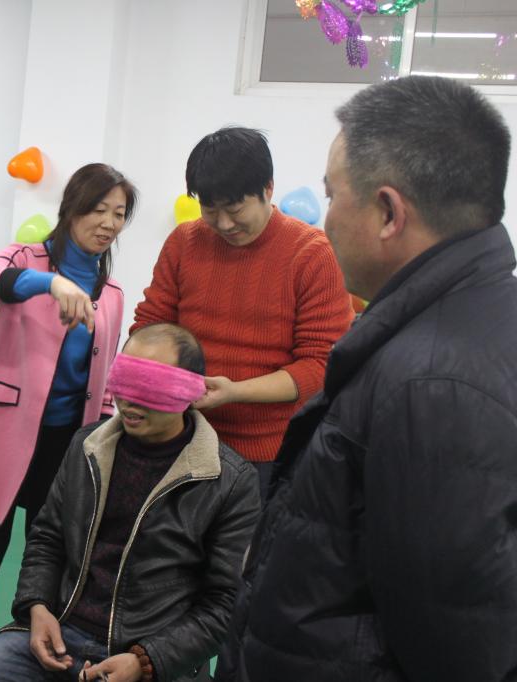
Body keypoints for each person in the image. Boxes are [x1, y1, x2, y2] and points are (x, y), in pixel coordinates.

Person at [216, 76, 517, 682]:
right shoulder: (477, 316)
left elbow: (452, 645)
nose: (324, 217)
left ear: (387, 213)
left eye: (332, 195)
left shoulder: (430, 384)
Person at [0, 324, 261, 681]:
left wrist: (145, 660)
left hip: (150, 660)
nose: (129, 402)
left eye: (149, 388)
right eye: (124, 383)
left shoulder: (229, 482)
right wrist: (37, 607)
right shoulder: (87, 447)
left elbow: (225, 603)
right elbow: (48, 538)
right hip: (59, 635)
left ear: (188, 391)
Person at [0, 163, 137, 649]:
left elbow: (104, 376)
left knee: (46, 551)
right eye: (99, 209)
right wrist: (50, 284)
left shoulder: (112, 293)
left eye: (119, 214)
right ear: (72, 208)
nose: (109, 223)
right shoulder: (25, 258)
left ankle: (23, 642)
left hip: (65, 441)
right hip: (2, 431)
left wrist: (103, 437)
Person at [132, 127, 354, 495]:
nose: (223, 224)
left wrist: (235, 392)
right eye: (210, 209)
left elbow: (320, 366)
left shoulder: (313, 254)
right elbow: (150, 325)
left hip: (266, 455)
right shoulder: (184, 243)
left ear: (268, 188)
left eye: (235, 209)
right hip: (180, 439)